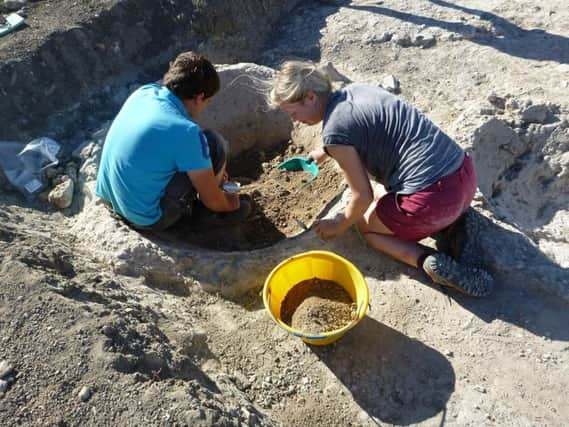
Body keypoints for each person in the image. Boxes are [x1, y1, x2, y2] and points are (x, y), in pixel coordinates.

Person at [269, 60, 493, 297]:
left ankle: (430, 261)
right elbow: (363, 127)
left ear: (311, 97)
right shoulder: (358, 90)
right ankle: (456, 227)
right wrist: (324, 152)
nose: (295, 120)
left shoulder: (335, 133)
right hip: (464, 175)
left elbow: (361, 196)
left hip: (433, 200)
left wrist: (339, 224)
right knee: (389, 191)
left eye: (293, 113)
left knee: (368, 227)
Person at [96, 51, 251, 232]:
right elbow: (214, 201)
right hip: (146, 218)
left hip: (110, 198)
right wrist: (231, 203)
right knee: (214, 144)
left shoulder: (144, 93)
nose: (205, 106)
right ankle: (206, 216)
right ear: (199, 97)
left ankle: (208, 188)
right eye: (207, 101)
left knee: (192, 153)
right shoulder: (187, 132)